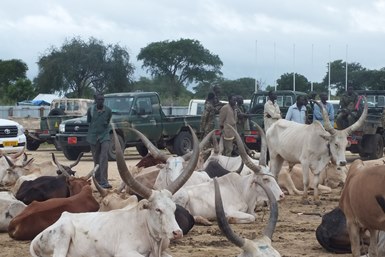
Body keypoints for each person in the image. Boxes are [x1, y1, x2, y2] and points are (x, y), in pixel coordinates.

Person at [86, 92, 113, 189]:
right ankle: (98, 181)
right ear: (95, 100)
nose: (101, 101)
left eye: (102, 99)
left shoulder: (108, 111)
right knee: (96, 159)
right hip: (93, 137)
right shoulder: (91, 110)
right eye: (99, 99)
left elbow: (108, 121)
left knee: (104, 157)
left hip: (104, 136)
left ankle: (104, 181)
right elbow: (89, 122)